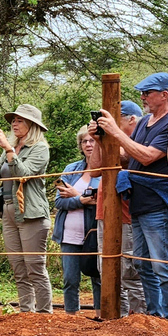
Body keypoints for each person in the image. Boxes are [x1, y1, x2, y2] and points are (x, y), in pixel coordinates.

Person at [90, 73, 168, 317]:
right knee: (141, 264)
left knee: (162, 265)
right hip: (137, 202)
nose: (143, 97)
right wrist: (101, 140)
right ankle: (155, 315)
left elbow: (148, 156)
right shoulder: (145, 123)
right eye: (142, 92)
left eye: (148, 92)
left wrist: (115, 131)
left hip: (158, 203)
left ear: (165, 95)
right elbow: (127, 157)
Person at [0, 104, 53, 313]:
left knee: (35, 268)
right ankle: (26, 312)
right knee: (19, 269)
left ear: (32, 125)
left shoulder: (40, 148)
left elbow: (24, 174)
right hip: (9, 211)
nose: (14, 123)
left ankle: (44, 313)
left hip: (31, 213)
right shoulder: (12, 148)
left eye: (19, 120)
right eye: (13, 120)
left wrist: (9, 150)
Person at [88, 100, 147, 316]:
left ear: (132, 119)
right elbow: (94, 170)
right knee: (108, 270)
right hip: (105, 213)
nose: (109, 122)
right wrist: (97, 140)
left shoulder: (138, 140)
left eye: (115, 118)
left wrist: (110, 136)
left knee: (131, 273)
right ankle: (116, 319)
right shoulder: (110, 141)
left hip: (127, 216)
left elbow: (123, 159)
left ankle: (141, 321)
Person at [52, 126, 101, 317]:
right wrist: (81, 199)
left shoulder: (105, 169)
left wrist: (74, 195)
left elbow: (103, 203)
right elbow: (58, 201)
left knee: (97, 276)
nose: (88, 144)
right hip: (68, 234)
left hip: (94, 232)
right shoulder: (70, 169)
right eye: (84, 141)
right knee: (70, 279)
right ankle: (70, 317)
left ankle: (100, 315)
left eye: (92, 140)